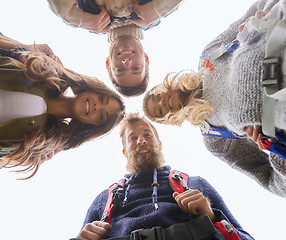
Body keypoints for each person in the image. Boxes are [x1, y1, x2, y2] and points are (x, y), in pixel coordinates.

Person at [142, 0, 286, 197]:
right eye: (158, 110)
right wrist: (277, 147)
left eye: (156, 96)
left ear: (163, 85)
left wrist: (263, 16)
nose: (161, 102)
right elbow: (270, 179)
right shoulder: (215, 138)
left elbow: (255, 10)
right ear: (168, 119)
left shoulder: (209, 55)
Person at [71, 113, 254, 240]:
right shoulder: (104, 200)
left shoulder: (195, 184)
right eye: (132, 138)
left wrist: (212, 216)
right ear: (125, 151)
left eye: (147, 135)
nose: (141, 140)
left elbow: (244, 237)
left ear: (159, 143)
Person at [0, 34, 125, 179]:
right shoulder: (44, 70)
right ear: (94, 90)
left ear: (92, 125)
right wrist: (27, 48)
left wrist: (37, 153)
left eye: (102, 115)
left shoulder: (43, 142)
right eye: (102, 99)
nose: (97, 107)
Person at [47, 0, 184, 96]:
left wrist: (79, 19)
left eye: (119, 70)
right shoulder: (153, 16)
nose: (126, 62)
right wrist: (160, 8)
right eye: (136, 68)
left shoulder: (89, 17)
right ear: (146, 59)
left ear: (108, 63)